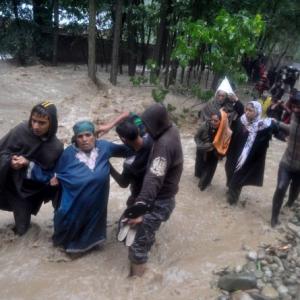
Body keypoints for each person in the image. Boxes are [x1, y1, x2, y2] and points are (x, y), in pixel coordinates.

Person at [29, 120, 131, 254]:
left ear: (94, 136)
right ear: (75, 138)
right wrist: (29, 165)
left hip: (96, 206)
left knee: (92, 240)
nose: (84, 139)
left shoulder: (105, 147)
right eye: (80, 136)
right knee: (66, 246)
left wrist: (124, 122)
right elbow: (51, 172)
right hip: (72, 207)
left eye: (88, 135)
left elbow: (131, 149)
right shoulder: (67, 154)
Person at [125, 103, 183, 277]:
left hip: (159, 202)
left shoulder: (163, 146)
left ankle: (136, 282)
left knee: (137, 244)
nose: (145, 130)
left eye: (146, 126)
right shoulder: (172, 129)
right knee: (144, 234)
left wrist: (139, 209)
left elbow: (153, 179)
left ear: (156, 125)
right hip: (165, 197)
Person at [0, 101, 63, 235]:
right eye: (33, 121)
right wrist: (10, 161)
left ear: (51, 124)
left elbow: (51, 176)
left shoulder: (56, 147)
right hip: (7, 182)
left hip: (26, 193)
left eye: (41, 123)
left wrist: (28, 164)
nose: (35, 126)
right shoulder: (21, 130)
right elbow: (1, 151)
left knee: (22, 231)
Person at [225, 101, 276, 205]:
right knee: (229, 170)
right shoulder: (241, 120)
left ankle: (232, 201)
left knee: (237, 178)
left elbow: (275, 129)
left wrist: (273, 122)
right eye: (246, 109)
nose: (247, 112)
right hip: (234, 153)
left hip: (247, 158)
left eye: (250, 110)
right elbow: (233, 135)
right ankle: (231, 188)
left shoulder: (262, 126)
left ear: (257, 112)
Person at [271, 90, 300, 227]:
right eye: (294, 106)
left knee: (295, 190)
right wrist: (276, 122)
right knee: (281, 187)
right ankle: (274, 217)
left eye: (298, 107)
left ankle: (289, 204)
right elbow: (291, 128)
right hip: (287, 161)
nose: (295, 109)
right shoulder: (294, 115)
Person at [109, 119, 153, 206]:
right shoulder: (150, 137)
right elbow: (132, 115)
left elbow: (123, 183)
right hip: (156, 188)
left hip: (140, 195)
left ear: (123, 139)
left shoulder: (130, 164)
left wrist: (109, 166)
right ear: (137, 129)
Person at [194, 110, 232, 190]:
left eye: (216, 121)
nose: (213, 122)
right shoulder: (204, 126)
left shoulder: (225, 131)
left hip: (214, 153)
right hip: (202, 150)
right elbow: (196, 137)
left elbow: (225, 145)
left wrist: (218, 151)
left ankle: (204, 183)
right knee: (200, 166)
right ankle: (199, 175)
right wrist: (203, 146)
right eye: (212, 120)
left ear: (221, 121)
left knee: (209, 169)